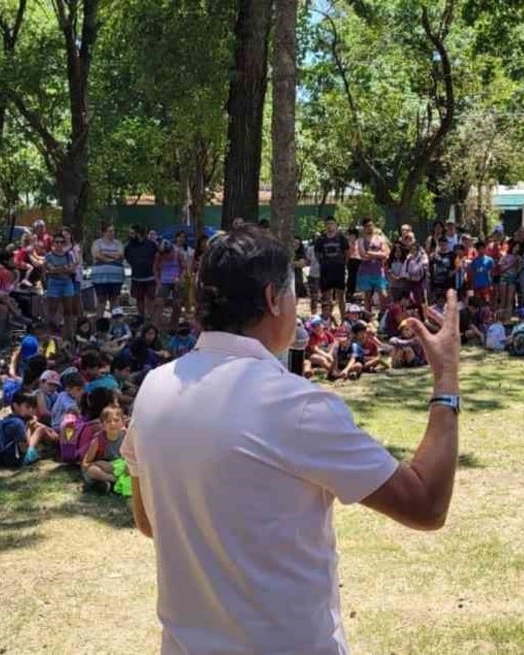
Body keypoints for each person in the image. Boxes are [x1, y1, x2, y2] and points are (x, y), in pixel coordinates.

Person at [123, 227, 460, 654]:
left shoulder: (154, 388)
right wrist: (447, 378)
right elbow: (426, 505)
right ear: (272, 299)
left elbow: (148, 521)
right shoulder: (294, 404)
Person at [124, 225, 160, 324]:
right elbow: (128, 257)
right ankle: (141, 318)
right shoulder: (129, 246)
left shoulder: (151, 244)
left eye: (132, 233)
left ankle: (151, 319)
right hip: (136, 277)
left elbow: (157, 257)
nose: (131, 235)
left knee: (151, 298)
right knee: (139, 298)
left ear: (138, 233)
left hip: (150, 277)